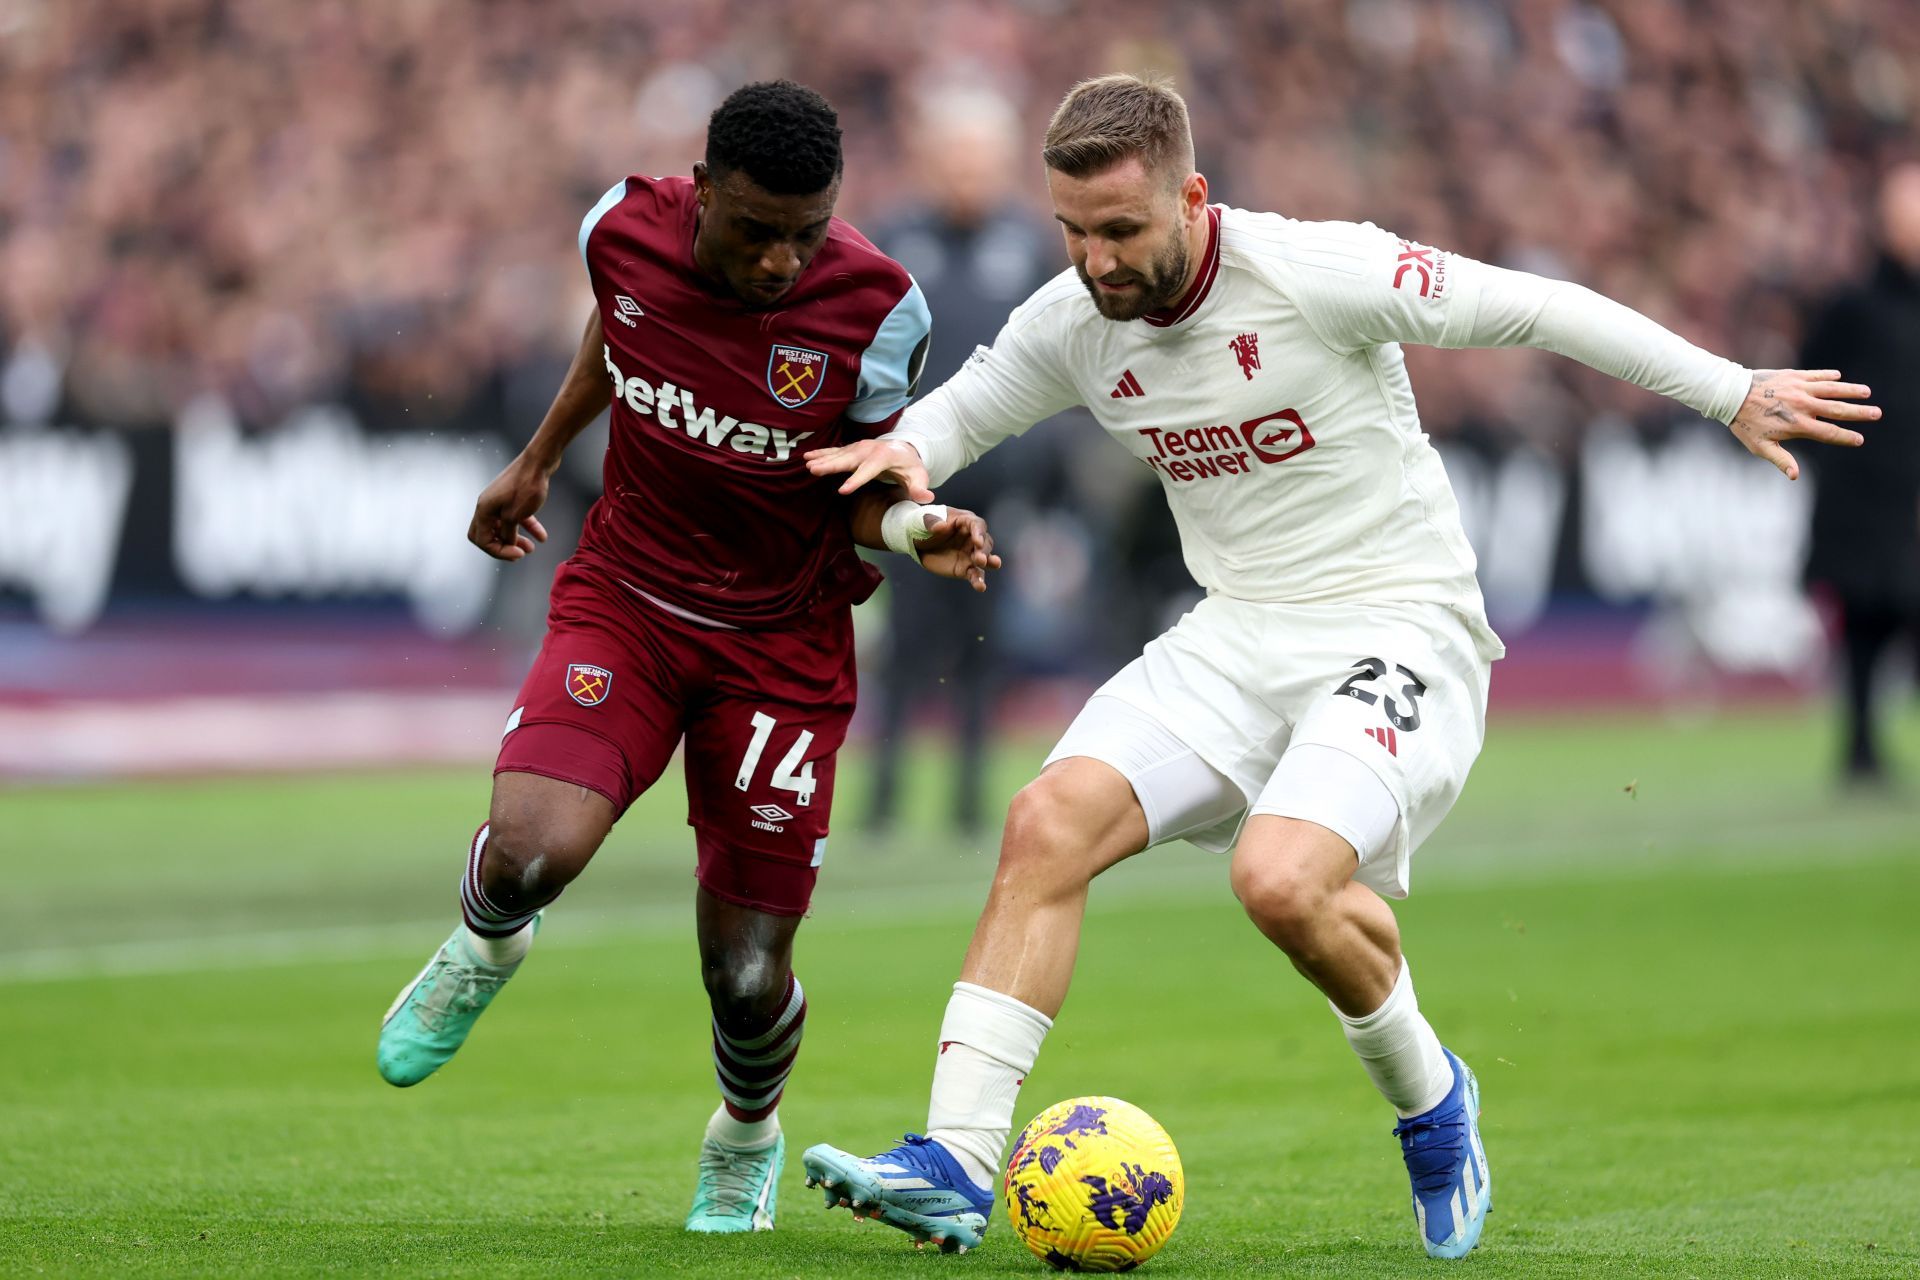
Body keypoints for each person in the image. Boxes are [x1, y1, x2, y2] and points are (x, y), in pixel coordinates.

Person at [798, 73, 1878, 1259]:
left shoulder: (1318, 271)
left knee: (1280, 879)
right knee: (1045, 821)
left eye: (1121, 229)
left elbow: (1540, 308)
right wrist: (900, 456)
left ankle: (1431, 1096)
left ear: (1193, 198)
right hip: (1235, 633)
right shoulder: (1074, 318)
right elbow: (964, 413)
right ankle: (955, 1157)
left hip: (1398, 624)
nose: (1096, 260)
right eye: (1073, 230)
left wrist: (1731, 392)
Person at [374, 80, 1001, 1235]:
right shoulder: (618, 225)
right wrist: (539, 459)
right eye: (754, 228)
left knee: (748, 975)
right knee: (528, 851)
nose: (777, 260)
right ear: (701, 190)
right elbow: (619, 333)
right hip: (629, 597)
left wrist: (921, 528)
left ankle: (744, 1135)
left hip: (781, 647)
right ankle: (481, 943)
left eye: (803, 233)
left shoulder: (878, 309)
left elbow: (856, 494)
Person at [866, 86, 1061, 835]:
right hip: (909, 488)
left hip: (998, 487)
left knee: (985, 651)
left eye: (979, 160)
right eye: (955, 158)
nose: (966, 174)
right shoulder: (895, 238)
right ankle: (883, 802)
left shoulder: (1028, 245)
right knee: (904, 649)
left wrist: (1041, 473)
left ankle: (972, 806)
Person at [1801, 160, 1920, 786]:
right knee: (1864, 626)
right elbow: (1807, 383)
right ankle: (1861, 748)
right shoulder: (1852, 307)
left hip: (1909, 498)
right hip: (1863, 499)